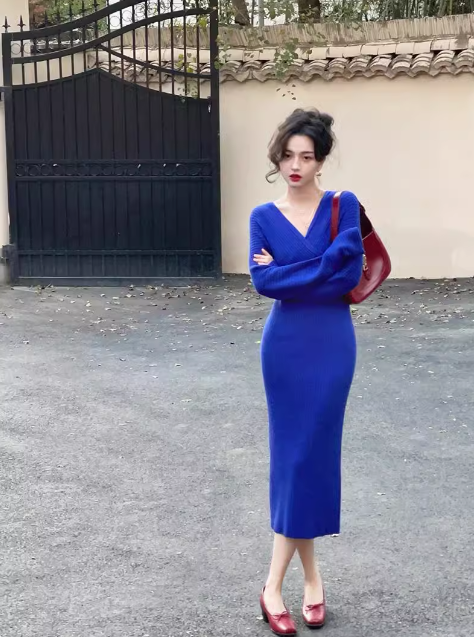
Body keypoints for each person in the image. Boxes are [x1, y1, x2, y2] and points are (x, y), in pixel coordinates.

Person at [249, 108, 364, 635]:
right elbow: (264, 284)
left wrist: (291, 272)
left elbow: (347, 277)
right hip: (285, 348)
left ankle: (279, 584)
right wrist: (323, 264)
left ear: (321, 161)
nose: (295, 165)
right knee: (293, 460)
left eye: (307, 157)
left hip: (333, 345)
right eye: (288, 155)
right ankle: (301, 582)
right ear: (278, 157)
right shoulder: (262, 216)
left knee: (312, 458)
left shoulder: (344, 206)